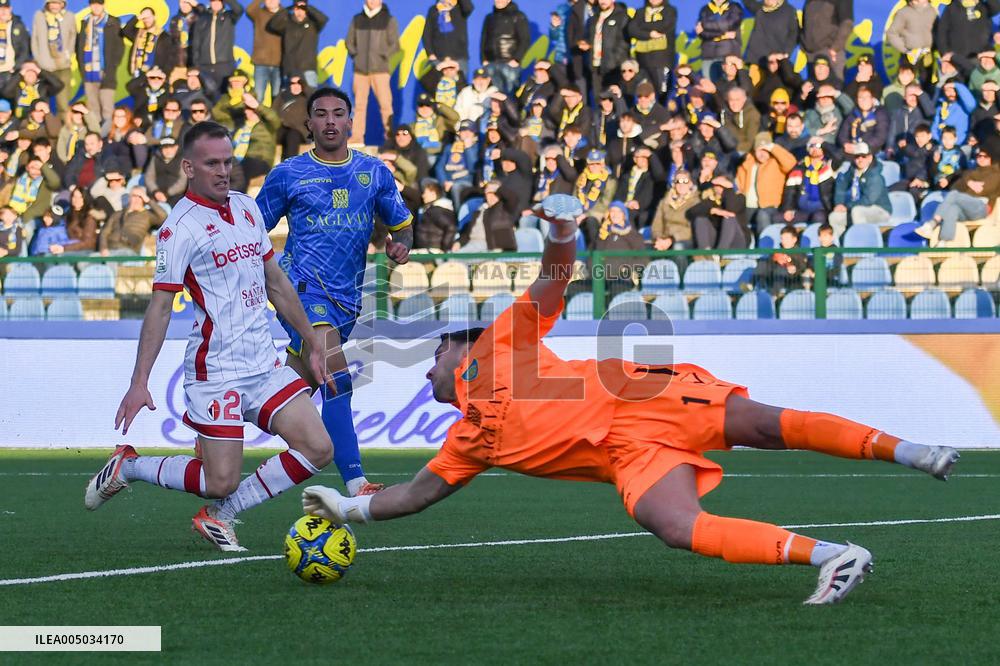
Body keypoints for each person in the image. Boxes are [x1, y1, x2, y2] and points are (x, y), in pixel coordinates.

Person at [302, 192, 961, 605]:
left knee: (765, 425)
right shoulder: (467, 440)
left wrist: (562, 231)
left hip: (641, 400)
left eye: (432, 361)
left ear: (458, 347)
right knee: (676, 528)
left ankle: (915, 452)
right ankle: (834, 557)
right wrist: (345, 507)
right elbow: (415, 495)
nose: (427, 375)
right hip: (629, 454)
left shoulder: (498, 343)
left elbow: (554, 284)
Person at [85, 121, 337, 553]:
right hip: (215, 369)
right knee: (218, 480)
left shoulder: (247, 208)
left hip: (264, 363)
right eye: (212, 163)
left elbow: (275, 281)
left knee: (318, 448)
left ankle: (220, 515)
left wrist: (312, 341)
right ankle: (129, 466)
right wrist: (139, 381)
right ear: (188, 167)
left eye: (228, 161)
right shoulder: (177, 229)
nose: (223, 171)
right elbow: (160, 308)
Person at [256, 88, 414, 498]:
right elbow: (250, 232)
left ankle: (213, 425)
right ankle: (356, 481)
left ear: (349, 122)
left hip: (346, 299)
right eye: (320, 114)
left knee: (288, 392)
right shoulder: (288, 174)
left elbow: (402, 224)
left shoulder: (374, 171)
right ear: (308, 124)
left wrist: (401, 244)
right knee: (336, 376)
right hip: (302, 290)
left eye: (337, 113)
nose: (329, 121)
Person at [916, 149, 1000, 244]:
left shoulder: (996, 174)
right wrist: (969, 182)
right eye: (979, 156)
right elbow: (955, 187)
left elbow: (983, 190)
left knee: (954, 195)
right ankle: (944, 242)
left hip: (982, 207)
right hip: (965, 206)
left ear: (991, 158)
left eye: (985, 156)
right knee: (952, 209)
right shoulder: (970, 172)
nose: (981, 158)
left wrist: (968, 184)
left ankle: (933, 223)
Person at [346, 0, 400, 145]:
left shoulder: (389, 19)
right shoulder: (357, 19)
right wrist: (356, 56)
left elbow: (395, 44)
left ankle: (390, 137)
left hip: (380, 70)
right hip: (360, 70)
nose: (372, 1)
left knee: (385, 105)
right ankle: (357, 137)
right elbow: (349, 42)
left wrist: (382, 56)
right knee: (359, 105)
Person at [76, 0, 124, 130]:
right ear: (90, 5)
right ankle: (95, 134)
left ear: (103, 5)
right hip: (89, 70)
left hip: (105, 70)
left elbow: (119, 47)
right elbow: (79, 47)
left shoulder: (113, 22)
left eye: (99, 3)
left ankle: (108, 135)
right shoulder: (85, 22)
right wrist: (82, 67)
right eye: (93, 4)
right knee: (92, 106)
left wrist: (112, 66)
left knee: (107, 106)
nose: (96, 6)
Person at [830, 143, 891, 237]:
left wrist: (847, 206)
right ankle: (841, 246)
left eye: (863, 156)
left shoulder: (875, 176)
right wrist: (839, 203)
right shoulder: (852, 171)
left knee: (857, 211)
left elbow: (869, 201)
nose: (860, 159)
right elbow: (841, 184)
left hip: (880, 210)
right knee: (835, 216)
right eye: (857, 156)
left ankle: (861, 244)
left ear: (870, 158)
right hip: (856, 207)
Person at [266, 0, 328, 88]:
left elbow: (323, 19)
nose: (299, 11)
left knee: (310, 97)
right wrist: (287, 9)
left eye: (302, 9)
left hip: (308, 68)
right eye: (297, 9)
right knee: (288, 99)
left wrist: (307, 7)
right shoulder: (287, 24)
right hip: (289, 68)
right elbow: (272, 25)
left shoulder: (313, 25)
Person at [190, 0, 244, 100]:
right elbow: (196, 44)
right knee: (206, 97)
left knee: (225, 96)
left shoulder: (229, 17)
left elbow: (239, 9)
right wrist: (196, 65)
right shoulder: (202, 19)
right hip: (205, 66)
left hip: (224, 65)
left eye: (218, 1)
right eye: (213, 1)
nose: (215, 4)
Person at [30, 0, 76, 114]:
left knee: (63, 102)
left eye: (58, 3)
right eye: (52, 3)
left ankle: (65, 128)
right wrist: (38, 59)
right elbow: (34, 38)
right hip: (45, 66)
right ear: (47, 4)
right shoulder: (39, 15)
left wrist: (67, 54)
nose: (55, 6)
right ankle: (45, 128)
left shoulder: (69, 16)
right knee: (43, 102)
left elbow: (73, 36)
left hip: (63, 65)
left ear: (62, 4)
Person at [480, 0, 530, 96]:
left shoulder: (518, 16)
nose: (498, 1)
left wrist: (516, 59)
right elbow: (483, 39)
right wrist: (483, 59)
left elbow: (525, 40)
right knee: (493, 96)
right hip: (491, 64)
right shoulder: (489, 18)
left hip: (509, 64)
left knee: (510, 97)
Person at [423, 0, 474, 76]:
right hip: (439, 58)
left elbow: (469, 8)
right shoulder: (434, 9)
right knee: (438, 87)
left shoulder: (461, 8)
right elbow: (427, 33)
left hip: (459, 58)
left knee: (460, 86)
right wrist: (430, 54)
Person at [246, 0, 283, 103]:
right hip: (261, 63)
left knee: (277, 98)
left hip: (279, 63)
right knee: (258, 97)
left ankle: (276, 119)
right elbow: (249, 10)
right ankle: (258, 119)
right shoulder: (258, 13)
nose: (271, 1)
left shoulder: (284, 15)